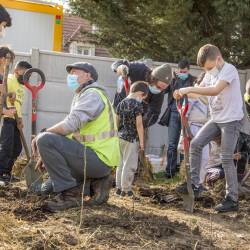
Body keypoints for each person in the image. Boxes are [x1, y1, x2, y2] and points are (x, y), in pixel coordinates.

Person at [32, 62, 120, 212]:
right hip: (89, 157)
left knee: (44, 138)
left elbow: (69, 125)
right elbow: (72, 136)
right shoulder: (83, 95)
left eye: (74, 72)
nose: (70, 76)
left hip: (98, 158)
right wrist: (47, 155)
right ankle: (94, 184)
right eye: (69, 73)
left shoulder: (92, 94)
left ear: (88, 75)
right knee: (45, 190)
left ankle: (71, 194)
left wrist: (42, 137)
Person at [174, 44, 244, 212]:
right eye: (206, 69)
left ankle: (232, 199)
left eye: (210, 68)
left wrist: (188, 88)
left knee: (226, 158)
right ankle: (195, 184)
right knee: (196, 144)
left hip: (232, 120)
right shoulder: (209, 74)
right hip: (216, 118)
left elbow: (214, 90)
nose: (209, 71)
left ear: (218, 58)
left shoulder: (229, 69)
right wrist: (181, 93)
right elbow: (199, 92)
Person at [159, 59, 196, 178]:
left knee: (185, 143)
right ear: (177, 70)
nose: (182, 73)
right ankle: (170, 171)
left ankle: (183, 171)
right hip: (174, 114)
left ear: (189, 70)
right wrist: (169, 78)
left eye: (184, 71)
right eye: (180, 71)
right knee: (172, 144)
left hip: (188, 115)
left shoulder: (193, 80)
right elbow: (162, 90)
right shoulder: (172, 80)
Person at [111, 60, 171, 127]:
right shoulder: (139, 69)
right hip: (118, 107)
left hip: (137, 117)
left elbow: (154, 114)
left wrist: (138, 124)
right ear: (153, 79)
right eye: (159, 87)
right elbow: (119, 63)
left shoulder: (159, 93)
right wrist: (119, 67)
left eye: (164, 89)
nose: (160, 90)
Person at [0, 61, 32, 185]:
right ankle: (1, 173)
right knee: (6, 146)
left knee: (17, 148)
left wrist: (21, 120)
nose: (27, 77)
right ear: (18, 70)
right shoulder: (9, 78)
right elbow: (2, 93)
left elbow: (18, 105)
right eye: (26, 73)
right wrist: (8, 96)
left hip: (15, 120)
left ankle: (7, 173)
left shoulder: (21, 87)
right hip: (7, 118)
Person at [115, 81, 148, 197]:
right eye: (143, 97)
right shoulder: (137, 105)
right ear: (140, 93)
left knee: (120, 163)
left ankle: (118, 188)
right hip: (132, 139)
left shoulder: (121, 103)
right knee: (130, 165)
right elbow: (139, 125)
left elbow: (116, 121)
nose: (142, 99)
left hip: (120, 137)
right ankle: (126, 189)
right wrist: (142, 142)